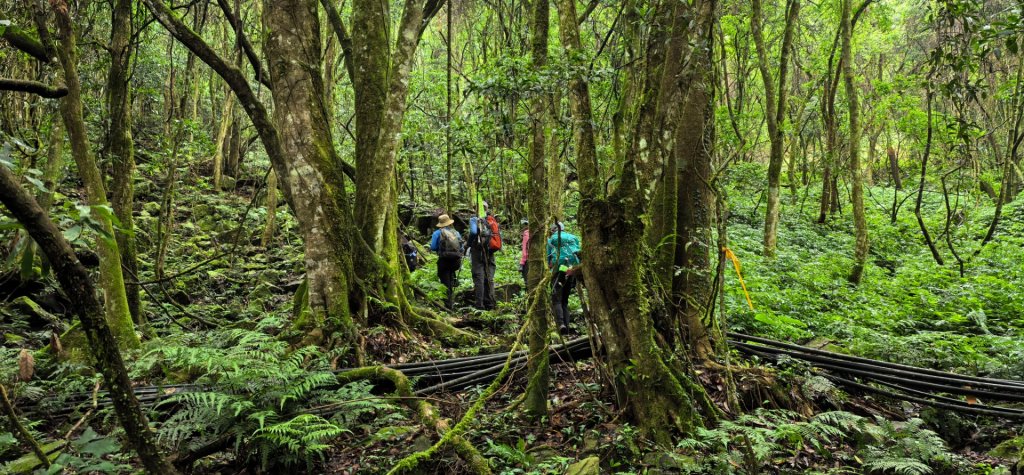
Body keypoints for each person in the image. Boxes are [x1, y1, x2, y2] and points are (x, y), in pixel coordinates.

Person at [547, 222, 581, 335]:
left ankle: (561, 324)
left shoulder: (551, 239)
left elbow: (549, 258)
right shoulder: (573, 238)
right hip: (571, 270)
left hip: (559, 269)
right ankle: (566, 328)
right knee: (564, 301)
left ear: (553, 230)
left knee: (556, 299)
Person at [467, 208, 500, 310]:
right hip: (490, 251)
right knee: (489, 277)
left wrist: (468, 244)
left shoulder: (474, 219)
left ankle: (479, 305)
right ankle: (490, 303)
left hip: (478, 252)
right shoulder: (490, 220)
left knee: (479, 277)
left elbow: (473, 232)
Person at [429, 214, 462, 309]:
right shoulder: (456, 233)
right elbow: (461, 246)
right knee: (450, 278)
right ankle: (452, 301)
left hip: (444, 260)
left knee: (445, 282)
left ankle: (448, 306)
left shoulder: (437, 233)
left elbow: (433, 247)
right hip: (456, 261)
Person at [519, 219, 529, 287]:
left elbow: (525, 249)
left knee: (527, 280)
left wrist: (522, 262)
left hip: (528, 260)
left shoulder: (526, 233)